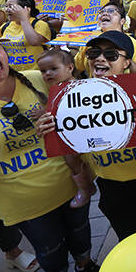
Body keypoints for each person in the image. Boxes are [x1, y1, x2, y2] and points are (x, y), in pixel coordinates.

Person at [0, 31, 100, 272]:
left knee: (81, 234)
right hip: (26, 204)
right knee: (50, 252)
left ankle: (85, 265)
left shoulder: (40, 78)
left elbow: (85, 104)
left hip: (71, 186)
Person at [37, 31, 136, 241]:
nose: (100, 59)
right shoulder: (70, 97)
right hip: (112, 182)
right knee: (131, 240)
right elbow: (73, 150)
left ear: (126, 63)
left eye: (111, 55)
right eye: (94, 53)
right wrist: (52, 129)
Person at [35, 49, 96, 208]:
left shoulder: (74, 86)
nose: (47, 74)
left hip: (81, 132)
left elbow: (72, 110)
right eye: (43, 71)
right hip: (70, 132)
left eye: (53, 69)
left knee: (71, 158)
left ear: (70, 68)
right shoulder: (57, 86)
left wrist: (48, 112)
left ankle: (86, 187)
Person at [0, 0, 51, 72]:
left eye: (11, 6)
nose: (7, 10)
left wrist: (23, 19)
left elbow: (34, 41)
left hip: (35, 73)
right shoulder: (4, 27)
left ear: (27, 9)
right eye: (6, 6)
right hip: (13, 73)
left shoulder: (39, 24)